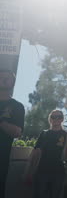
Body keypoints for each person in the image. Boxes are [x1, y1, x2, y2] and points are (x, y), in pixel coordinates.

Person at [25, 110, 67, 198]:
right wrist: (28, 171)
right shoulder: (44, 133)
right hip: (42, 171)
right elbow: (35, 152)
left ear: (62, 119)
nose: (56, 119)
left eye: (59, 117)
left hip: (58, 172)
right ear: (50, 119)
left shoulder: (66, 135)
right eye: (53, 117)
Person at [0, 70, 24, 198]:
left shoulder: (17, 106)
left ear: (13, 83)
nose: (3, 79)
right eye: (1, 76)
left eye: (7, 78)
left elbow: (17, 132)